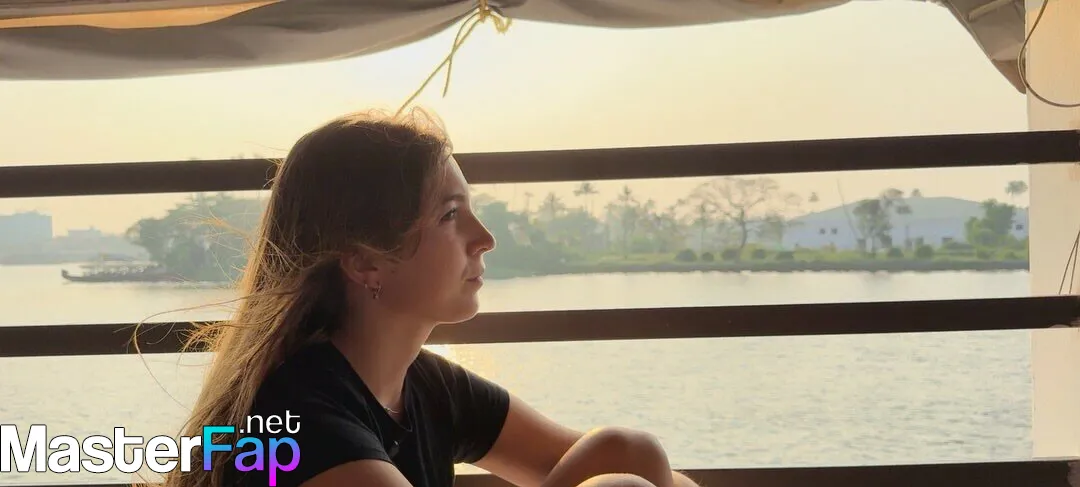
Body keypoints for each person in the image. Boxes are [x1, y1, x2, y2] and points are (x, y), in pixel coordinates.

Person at [158, 109, 701, 487]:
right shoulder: (297, 419)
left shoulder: (418, 384)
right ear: (365, 262)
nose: (485, 238)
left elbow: (615, 460)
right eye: (450, 215)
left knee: (629, 451)